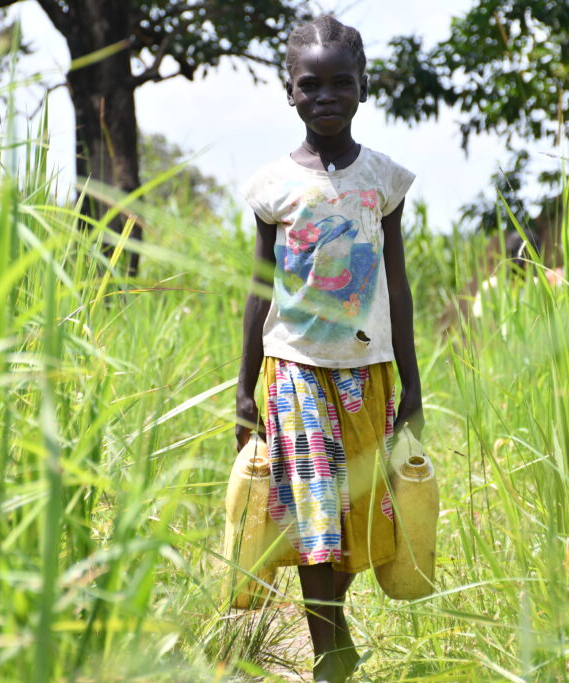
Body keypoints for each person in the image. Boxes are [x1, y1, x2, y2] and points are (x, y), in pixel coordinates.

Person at [234, 15, 423, 683]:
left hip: (366, 375)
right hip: (296, 375)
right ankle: (326, 657)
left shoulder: (384, 179)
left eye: (340, 83)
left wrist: (413, 387)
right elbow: (260, 290)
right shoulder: (272, 187)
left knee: (353, 521)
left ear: (363, 87)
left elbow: (396, 288)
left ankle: (333, 637)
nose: (325, 96)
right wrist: (242, 388)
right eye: (309, 84)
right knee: (316, 516)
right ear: (289, 91)